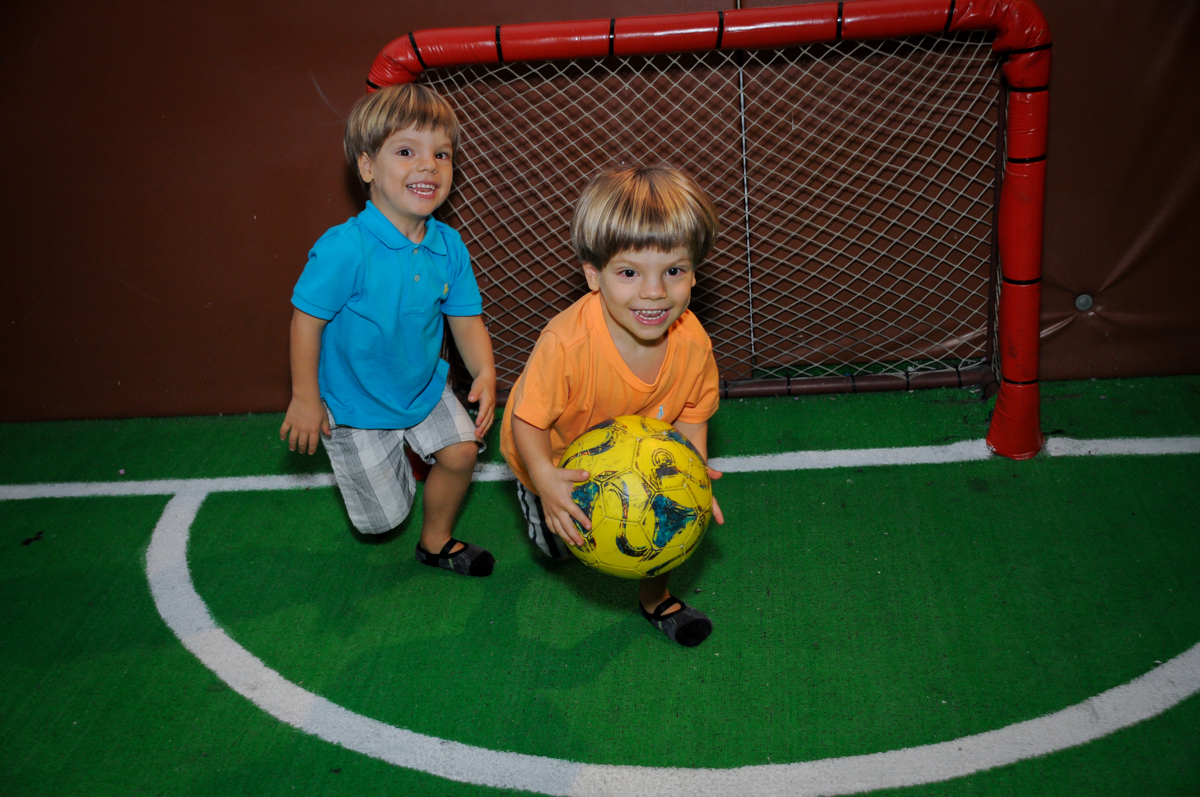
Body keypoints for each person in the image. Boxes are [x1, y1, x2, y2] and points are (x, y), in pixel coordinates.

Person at [500, 165, 725, 646]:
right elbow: (527, 419)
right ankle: (536, 506)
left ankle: (656, 599)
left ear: (693, 273)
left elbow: (692, 412)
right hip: (553, 455)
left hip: (644, 456)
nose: (654, 291)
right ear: (593, 276)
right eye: (629, 272)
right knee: (560, 547)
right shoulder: (565, 342)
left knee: (668, 515)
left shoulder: (693, 344)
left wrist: (693, 476)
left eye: (674, 271)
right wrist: (544, 480)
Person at [280, 84, 497, 577]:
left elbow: (464, 318)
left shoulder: (449, 245)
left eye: (441, 153)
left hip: (421, 386)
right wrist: (305, 399)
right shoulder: (345, 249)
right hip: (355, 403)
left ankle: (436, 541)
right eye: (406, 151)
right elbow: (305, 322)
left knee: (462, 451)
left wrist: (483, 370)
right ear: (367, 167)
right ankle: (385, 464)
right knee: (382, 520)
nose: (429, 166)